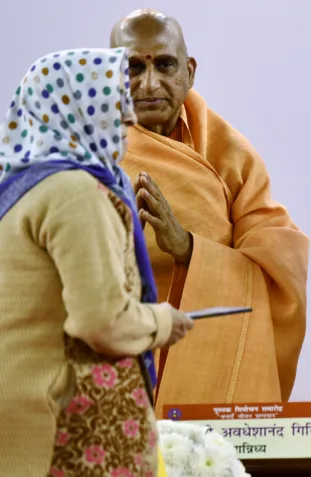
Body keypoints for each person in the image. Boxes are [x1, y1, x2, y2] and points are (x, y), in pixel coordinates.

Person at [0, 47, 192, 476]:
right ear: (77, 112)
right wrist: (161, 322)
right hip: (67, 424)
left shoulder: (17, 186)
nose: (126, 125)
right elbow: (100, 320)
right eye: (112, 109)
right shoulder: (74, 192)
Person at [109, 9, 309, 413]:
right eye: (132, 67)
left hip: (206, 360)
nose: (149, 84)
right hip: (112, 361)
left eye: (164, 65)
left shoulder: (228, 153)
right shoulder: (84, 153)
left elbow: (279, 264)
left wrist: (187, 249)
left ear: (190, 71)